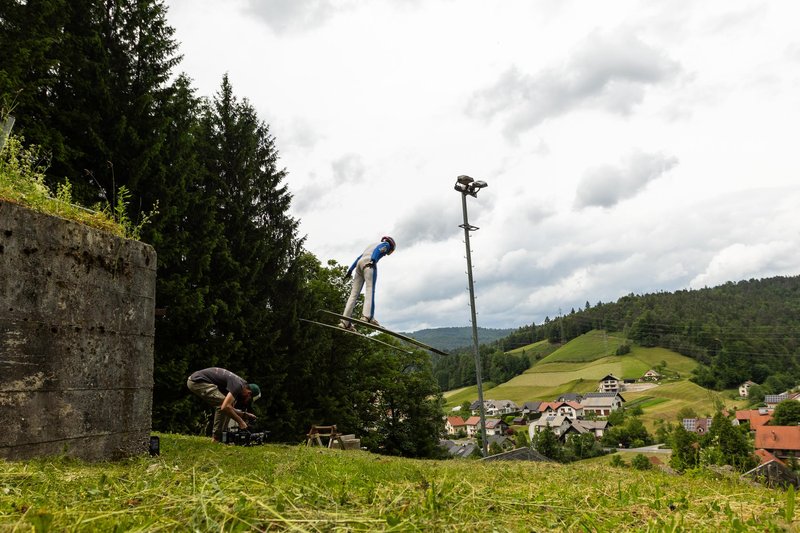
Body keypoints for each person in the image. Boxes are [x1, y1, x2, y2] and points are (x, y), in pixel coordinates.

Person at [186, 367, 261, 442]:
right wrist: (240, 422)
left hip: (199, 380)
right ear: (249, 394)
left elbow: (229, 408)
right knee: (222, 404)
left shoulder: (240, 384)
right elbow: (224, 407)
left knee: (227, 406)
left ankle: (223, 438)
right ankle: (216, 438)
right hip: (197, 381)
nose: (246, 401)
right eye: (249, 399)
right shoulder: (238, 385)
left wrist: (244, 414)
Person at [340, 236, 396, 329]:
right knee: (370, 289)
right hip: (369, 262)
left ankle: (344, 322)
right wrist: (373, 260)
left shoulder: (371, 245)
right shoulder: (386, 245)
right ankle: (367, 316)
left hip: (359, 264)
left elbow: (359, 257)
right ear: (391, 245)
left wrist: (350, 270)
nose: (388, 253)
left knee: (353, 294)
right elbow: (378, 250)